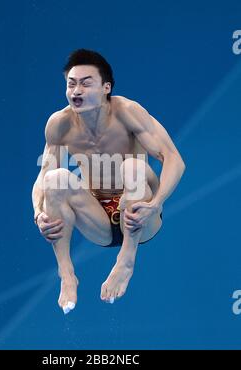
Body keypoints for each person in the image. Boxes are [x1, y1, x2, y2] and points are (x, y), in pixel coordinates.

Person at [32, 49, 185, 314]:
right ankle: (66, 273)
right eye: (71, 84)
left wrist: (156, 203)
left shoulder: (128, 112)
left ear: (106, 87)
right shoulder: (59, 124)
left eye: (85, 83)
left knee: (133, 167)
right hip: (98, 221)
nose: (76, 90)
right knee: (55, 179)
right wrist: (38, 213)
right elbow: (41, 179)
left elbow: (174, 160)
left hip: (141, 213)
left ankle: (126, 259)